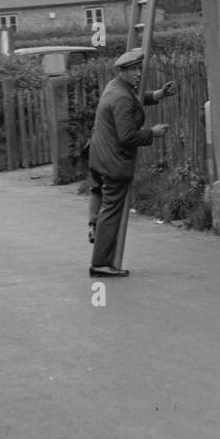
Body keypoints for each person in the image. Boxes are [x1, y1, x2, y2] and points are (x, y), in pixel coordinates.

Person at [88, 48, 174, 278]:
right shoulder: (122, 98)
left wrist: (157, 95)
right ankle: (100, 263)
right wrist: (152, 133)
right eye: (133, 70)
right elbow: (127, 137)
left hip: (98, 154)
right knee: (112, 211)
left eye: (139, 69)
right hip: (114, 161)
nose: (138, 73)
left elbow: (135, 100)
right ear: (123, 71)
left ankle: (93, 224)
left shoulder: (115, 86)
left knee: (100, 196)